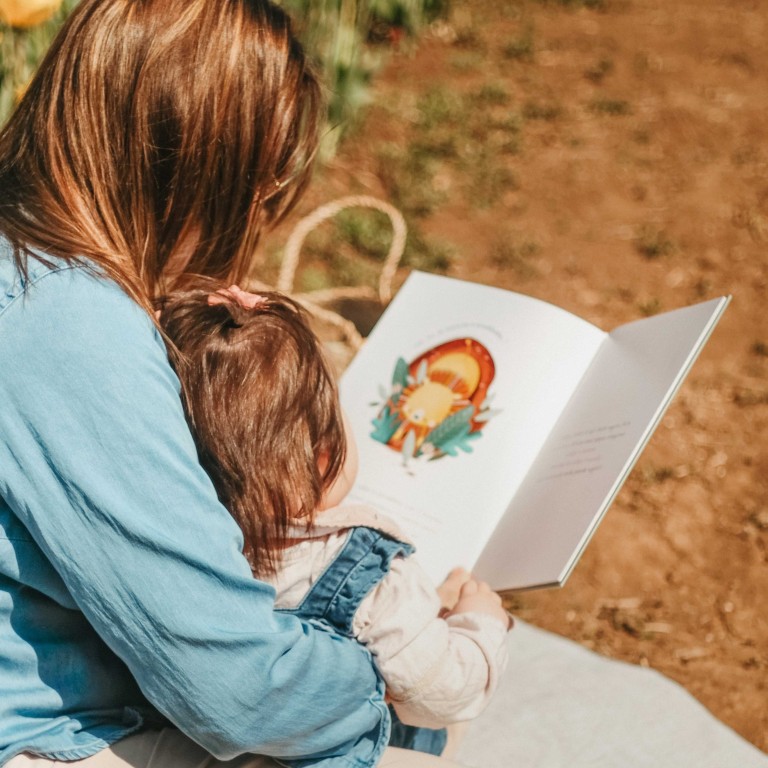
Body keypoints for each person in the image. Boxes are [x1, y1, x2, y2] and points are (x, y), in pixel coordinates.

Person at [0, 1, 470, 766]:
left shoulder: (27, 255)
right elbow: (235, 688)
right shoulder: (69, 324)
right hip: (46, 735)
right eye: (257, 182)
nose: (257, 212)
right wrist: (390, 674)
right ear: (194, 167)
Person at [155, 283, 512, 763]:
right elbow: (445, 694)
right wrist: (481, 622)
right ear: (325, 456)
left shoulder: (177, 550)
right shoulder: (370, 576)